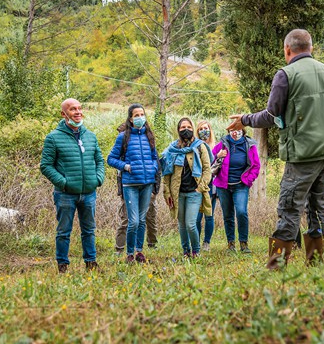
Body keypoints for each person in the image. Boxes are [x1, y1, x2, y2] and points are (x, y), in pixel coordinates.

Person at [228, 28, 324, 269]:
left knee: (289, 206)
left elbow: (272, 115)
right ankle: (315, 262)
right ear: (311, 48)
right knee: (317, 206)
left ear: (287, 49)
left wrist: (245, 119)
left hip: (302, 155)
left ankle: (276, 265)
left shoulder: (286, 74)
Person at [40, 98, 105, 273]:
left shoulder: (90, 136)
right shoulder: (53, 138)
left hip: (89, 193)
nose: (77, 112)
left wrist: (98, 179)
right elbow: (45, 166)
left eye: (79, 108)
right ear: (64, 114)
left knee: (89, 230)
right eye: (72, 109)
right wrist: (63, 182)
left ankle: (91, 262)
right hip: (65, 194)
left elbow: (99, 160)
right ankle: (63, 265)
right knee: (63, 232)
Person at [107, 104, 159, 263]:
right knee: (133, 220)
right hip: (130, 184)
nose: (139, 118)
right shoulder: (123, 137)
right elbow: (111, 159)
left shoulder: (149, 135)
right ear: (130, 118)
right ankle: (129, 253)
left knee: (142, 220)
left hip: (147, 183)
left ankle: (139, 252)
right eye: (136, 115)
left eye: (142, 114)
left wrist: (152, 168)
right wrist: (126, 167)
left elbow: (155, 158)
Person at [161, 118, 212, 258]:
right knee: (182, 225)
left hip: (194, 193)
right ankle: (186, 252)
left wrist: (200, 188)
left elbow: (208, 170)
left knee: (190, 224)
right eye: (183, 127)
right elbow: (166, 173)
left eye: (189, 126)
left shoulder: (200, 146)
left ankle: (196, 251)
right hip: (178, 193)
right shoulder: (172, 149)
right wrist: (167, 192)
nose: (186, 129)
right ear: (178, 130)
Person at [212, 128, 261, 253]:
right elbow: (209, 161)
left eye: (238, 129)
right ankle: (231, 244)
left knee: (241, 212)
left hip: (241, 185)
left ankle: (244, 243)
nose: (235, 132)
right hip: (223, 186)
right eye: (232, 129)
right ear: (228, 131)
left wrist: (248, 180)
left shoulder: (249, 145)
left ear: (243, 130)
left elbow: (256, 165)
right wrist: (217, 156)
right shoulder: (222, 144)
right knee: (228, 215)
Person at [195, 120, 219, 251]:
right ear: (197, 131)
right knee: (197, 216)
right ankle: (196, 242)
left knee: (209, 215)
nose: (204, 131)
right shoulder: (196, 146)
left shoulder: (216, 147)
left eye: (206, 128)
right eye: (201, 129)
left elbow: (219, 166)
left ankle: (207, 243)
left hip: (212, 186)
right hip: (198, 185)